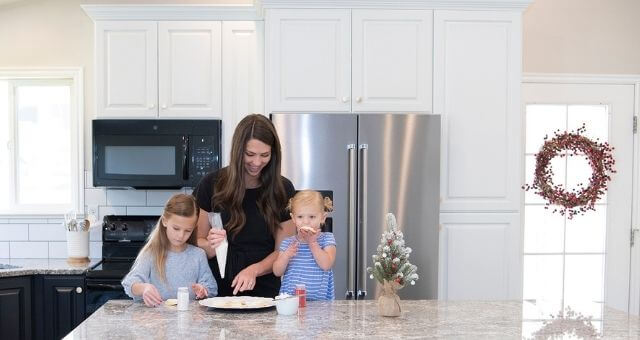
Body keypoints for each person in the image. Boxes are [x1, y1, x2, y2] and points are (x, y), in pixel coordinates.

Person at [193, 114, 296, 298]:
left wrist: (254, 270)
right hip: (216, 292)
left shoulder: (283, 189)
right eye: (250, 154)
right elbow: (196, 243)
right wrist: (213, 245)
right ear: (238, 151)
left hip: (265, 292)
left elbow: (282, 251)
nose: (257, 162)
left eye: (264, 155)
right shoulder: (211, 184)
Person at [122, 194, 217, 307]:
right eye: (176, 228)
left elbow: (212, 288)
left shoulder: (198, 255)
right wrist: (144, 288)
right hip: (157, 320)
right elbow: (129, 283)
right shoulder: (152, 253)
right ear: (165, 221)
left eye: (187, 231)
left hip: (189, 319)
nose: (181, 235)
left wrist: (203, 290)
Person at [273, 190, 336, 300]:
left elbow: (326, 265)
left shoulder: (327, 239)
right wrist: (286, 256)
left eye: (312, 217)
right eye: (300, 217)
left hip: (321, 305)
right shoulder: (288, 243)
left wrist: (312, 243)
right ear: (293, 218)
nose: (305, 222)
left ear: (323, 217)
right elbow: (277, 272)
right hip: (291, 303)